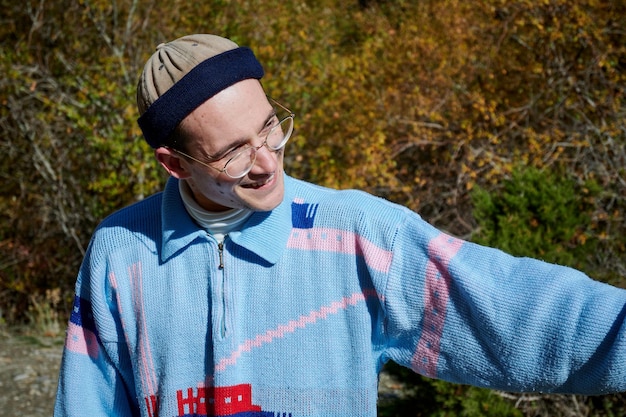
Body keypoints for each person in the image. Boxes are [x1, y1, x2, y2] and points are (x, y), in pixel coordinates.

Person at [54, 34, 626, 417]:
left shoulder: (358, 236)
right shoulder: (118, 253)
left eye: (270, 126)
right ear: (174, 163)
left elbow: (515, 312)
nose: (268, 160)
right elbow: (87, 403)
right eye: (232, 153)